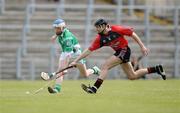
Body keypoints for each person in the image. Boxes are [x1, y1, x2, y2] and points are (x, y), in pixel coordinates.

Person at [70, 18, 166, 94]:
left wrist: (142, 46)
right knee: (132, 76)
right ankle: (156, 69)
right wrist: (76, 60)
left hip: (124, 50)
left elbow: (132, 34)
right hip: (120, 52)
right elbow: (88, 50)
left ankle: (94, 88)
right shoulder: (99, 38)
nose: (97, 29)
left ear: (104, 26)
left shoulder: (116, 29)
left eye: (98, 27)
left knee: (105, 66)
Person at [41, 18, 100, 94]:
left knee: (84, 74)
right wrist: (55, 36)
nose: (56, 30)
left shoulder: (67, 38)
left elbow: (68, 56)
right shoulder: (60, 32)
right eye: (55, 28)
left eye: (58, 28)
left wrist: (65, 68)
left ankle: (94, 70)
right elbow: (65, 52)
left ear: (63, 28)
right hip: (65, 52)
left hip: (76, 55)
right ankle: (56, 89)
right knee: (60, 70)